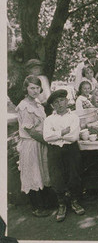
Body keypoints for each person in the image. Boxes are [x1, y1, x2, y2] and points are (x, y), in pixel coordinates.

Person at [43, 89, 84, 222]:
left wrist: (56, 134)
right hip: (54, 151)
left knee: (74, 174)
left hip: (70, 149)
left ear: (67, 101)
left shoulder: (73, 117)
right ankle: (61, 204)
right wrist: (62, 132)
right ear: (52, 105)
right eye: (56, 102)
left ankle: (75, 201)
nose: (59, 104)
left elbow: (73, 136)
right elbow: (46, 137)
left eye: (61, 100)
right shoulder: (49, 119)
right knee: (57, 176)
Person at [16, 75, 51, 217]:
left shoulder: (38, 105)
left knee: (41, 171)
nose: (35, 91)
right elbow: (29, 130)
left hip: (40, 143)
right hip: (31, 144)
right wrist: (47, 140)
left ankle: (45, 202)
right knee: (32, 173)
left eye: (37, 88)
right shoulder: (24, 106)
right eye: (32, 88)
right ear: (26, 89)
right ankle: (37, 207)